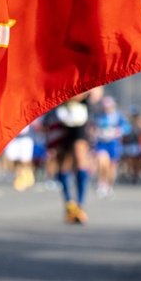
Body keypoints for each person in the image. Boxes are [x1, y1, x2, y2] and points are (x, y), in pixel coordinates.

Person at [45, 95, 91, 224]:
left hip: (79, 118)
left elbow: (95, 91)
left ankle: (81, 205)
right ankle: (69, 204)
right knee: (62, 160)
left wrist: (68, 94)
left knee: (79, 156)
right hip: (60, 116)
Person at [92, 94, 128, 197]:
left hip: (114, 144)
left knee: (111, 167)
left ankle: (108, 184)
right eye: (104, 107)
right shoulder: (97, 116)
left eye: (108, 107)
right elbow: (92, 127)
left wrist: (117, 131)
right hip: (101, 144)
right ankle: (101, 183)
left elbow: (126, 127)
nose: (106, 109)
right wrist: (95, 132)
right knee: (103, 163)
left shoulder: (118, 116)